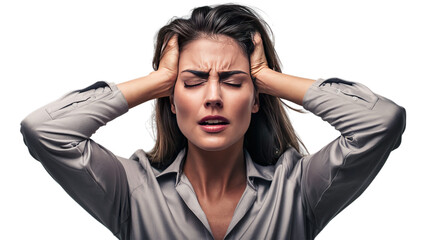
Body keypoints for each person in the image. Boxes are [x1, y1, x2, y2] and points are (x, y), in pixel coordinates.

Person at [20, 4, 406, 240]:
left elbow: (380, 122)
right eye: (192, 82)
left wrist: (266, 77)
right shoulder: (132, 191)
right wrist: (157, 80)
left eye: (235, 82)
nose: (213, 97)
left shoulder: (298, 189)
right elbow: (45, 131)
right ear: (171, 99)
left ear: (255, 100)